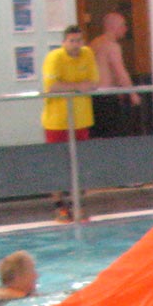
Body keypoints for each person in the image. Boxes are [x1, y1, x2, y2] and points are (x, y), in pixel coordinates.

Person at [42, 25, 99, 221]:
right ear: (64, 42)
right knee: (57, 164)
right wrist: (78, 86)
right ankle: (60, 206)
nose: (76, 45)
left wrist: (73, 87)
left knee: (80, 163)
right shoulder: (54, 58)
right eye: (72, 41)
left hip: (81, 119)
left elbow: (94, 83)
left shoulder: (87, 54)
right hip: (57, 121)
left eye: (79, 41)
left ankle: (77, 204)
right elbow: (52, 86)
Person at [87, 11, 141, 138]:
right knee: (112, 136)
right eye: (123, 25)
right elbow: (120, 72)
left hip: (92, 97)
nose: (125, 29)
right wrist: (133, 94)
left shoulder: (94, 43)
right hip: (106, 98)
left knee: (97, 136)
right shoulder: (111, 46)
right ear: (112, 27)